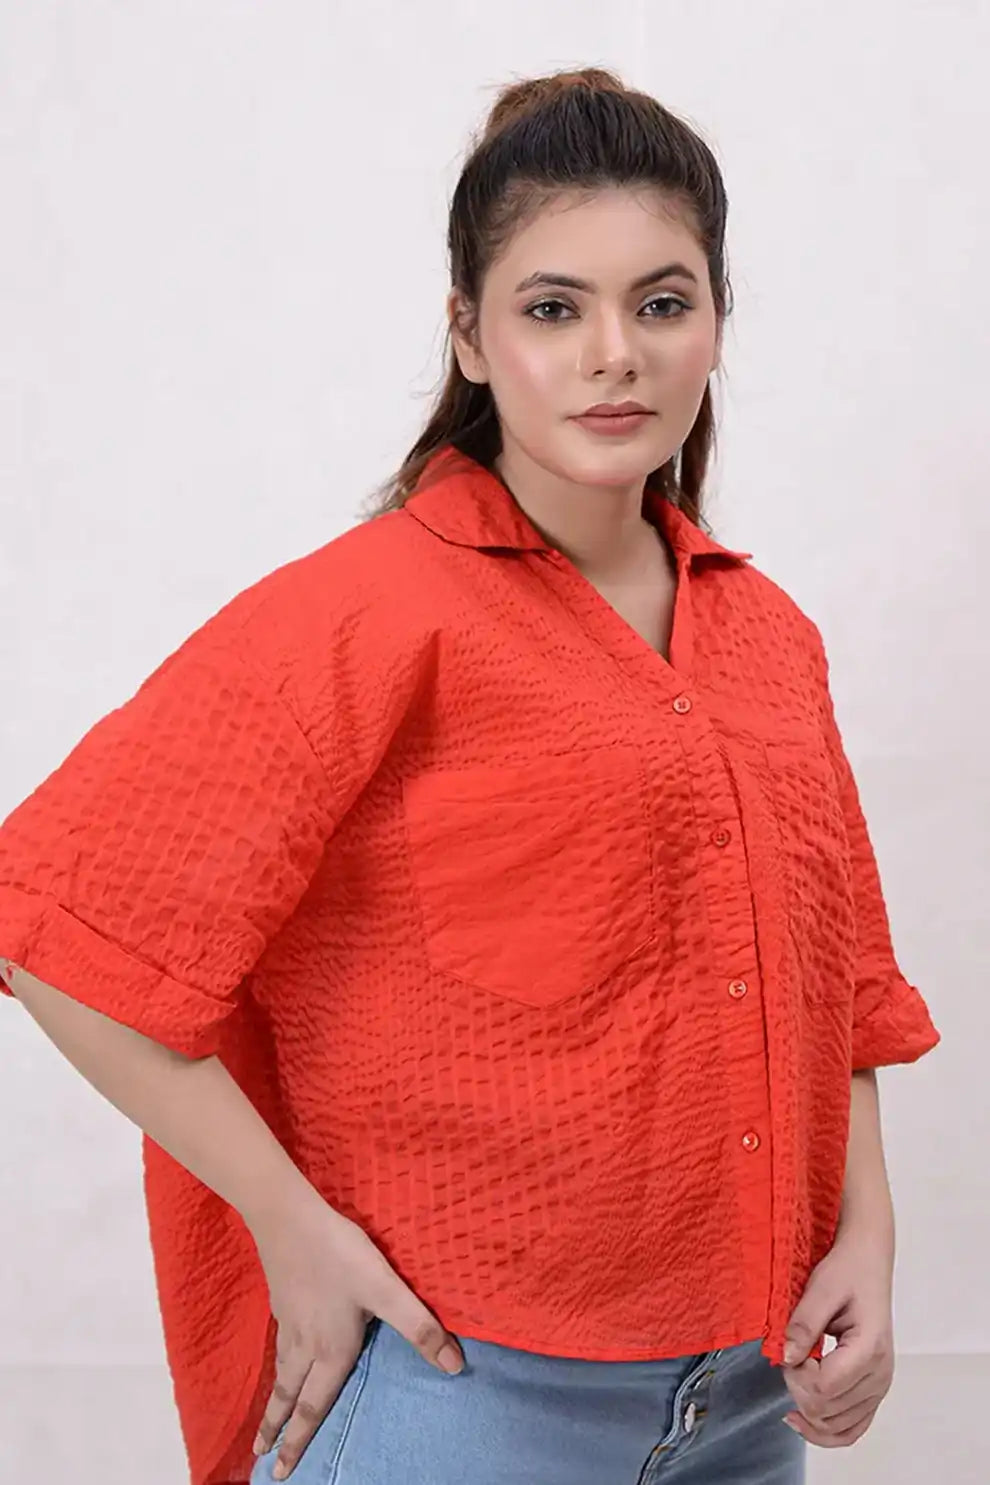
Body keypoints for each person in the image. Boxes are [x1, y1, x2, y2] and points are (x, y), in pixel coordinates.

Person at [0, 66, 940, 1485]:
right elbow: (57, 920)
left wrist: (863, 1231)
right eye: (553, 308)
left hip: (747, 1405)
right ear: (472, 334)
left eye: (662, 303)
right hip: (459, 1401)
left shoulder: (768, 636)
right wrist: (289, 1228)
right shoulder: (370, 612)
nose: (613, 353)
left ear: (715, 328)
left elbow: (836, 991)